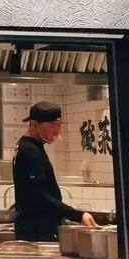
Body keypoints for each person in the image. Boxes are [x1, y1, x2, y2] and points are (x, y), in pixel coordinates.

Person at [13, 101, 97, 242]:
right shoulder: (29, 150)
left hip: (36, 227)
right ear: (34, 124)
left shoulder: (31, 146)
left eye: (59, 125)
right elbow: (39, 196)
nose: (57, 131)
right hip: (36, 231)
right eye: (52, 125)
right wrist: (78, 215)